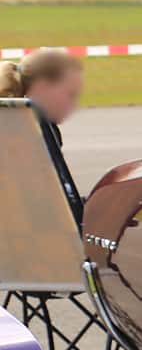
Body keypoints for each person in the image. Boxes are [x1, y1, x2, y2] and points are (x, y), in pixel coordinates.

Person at [0, 48, 87, 221]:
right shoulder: (28, 132)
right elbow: (46, 210)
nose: (74, 105)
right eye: (70, 94)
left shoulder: (13, 122)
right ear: (43, 88)